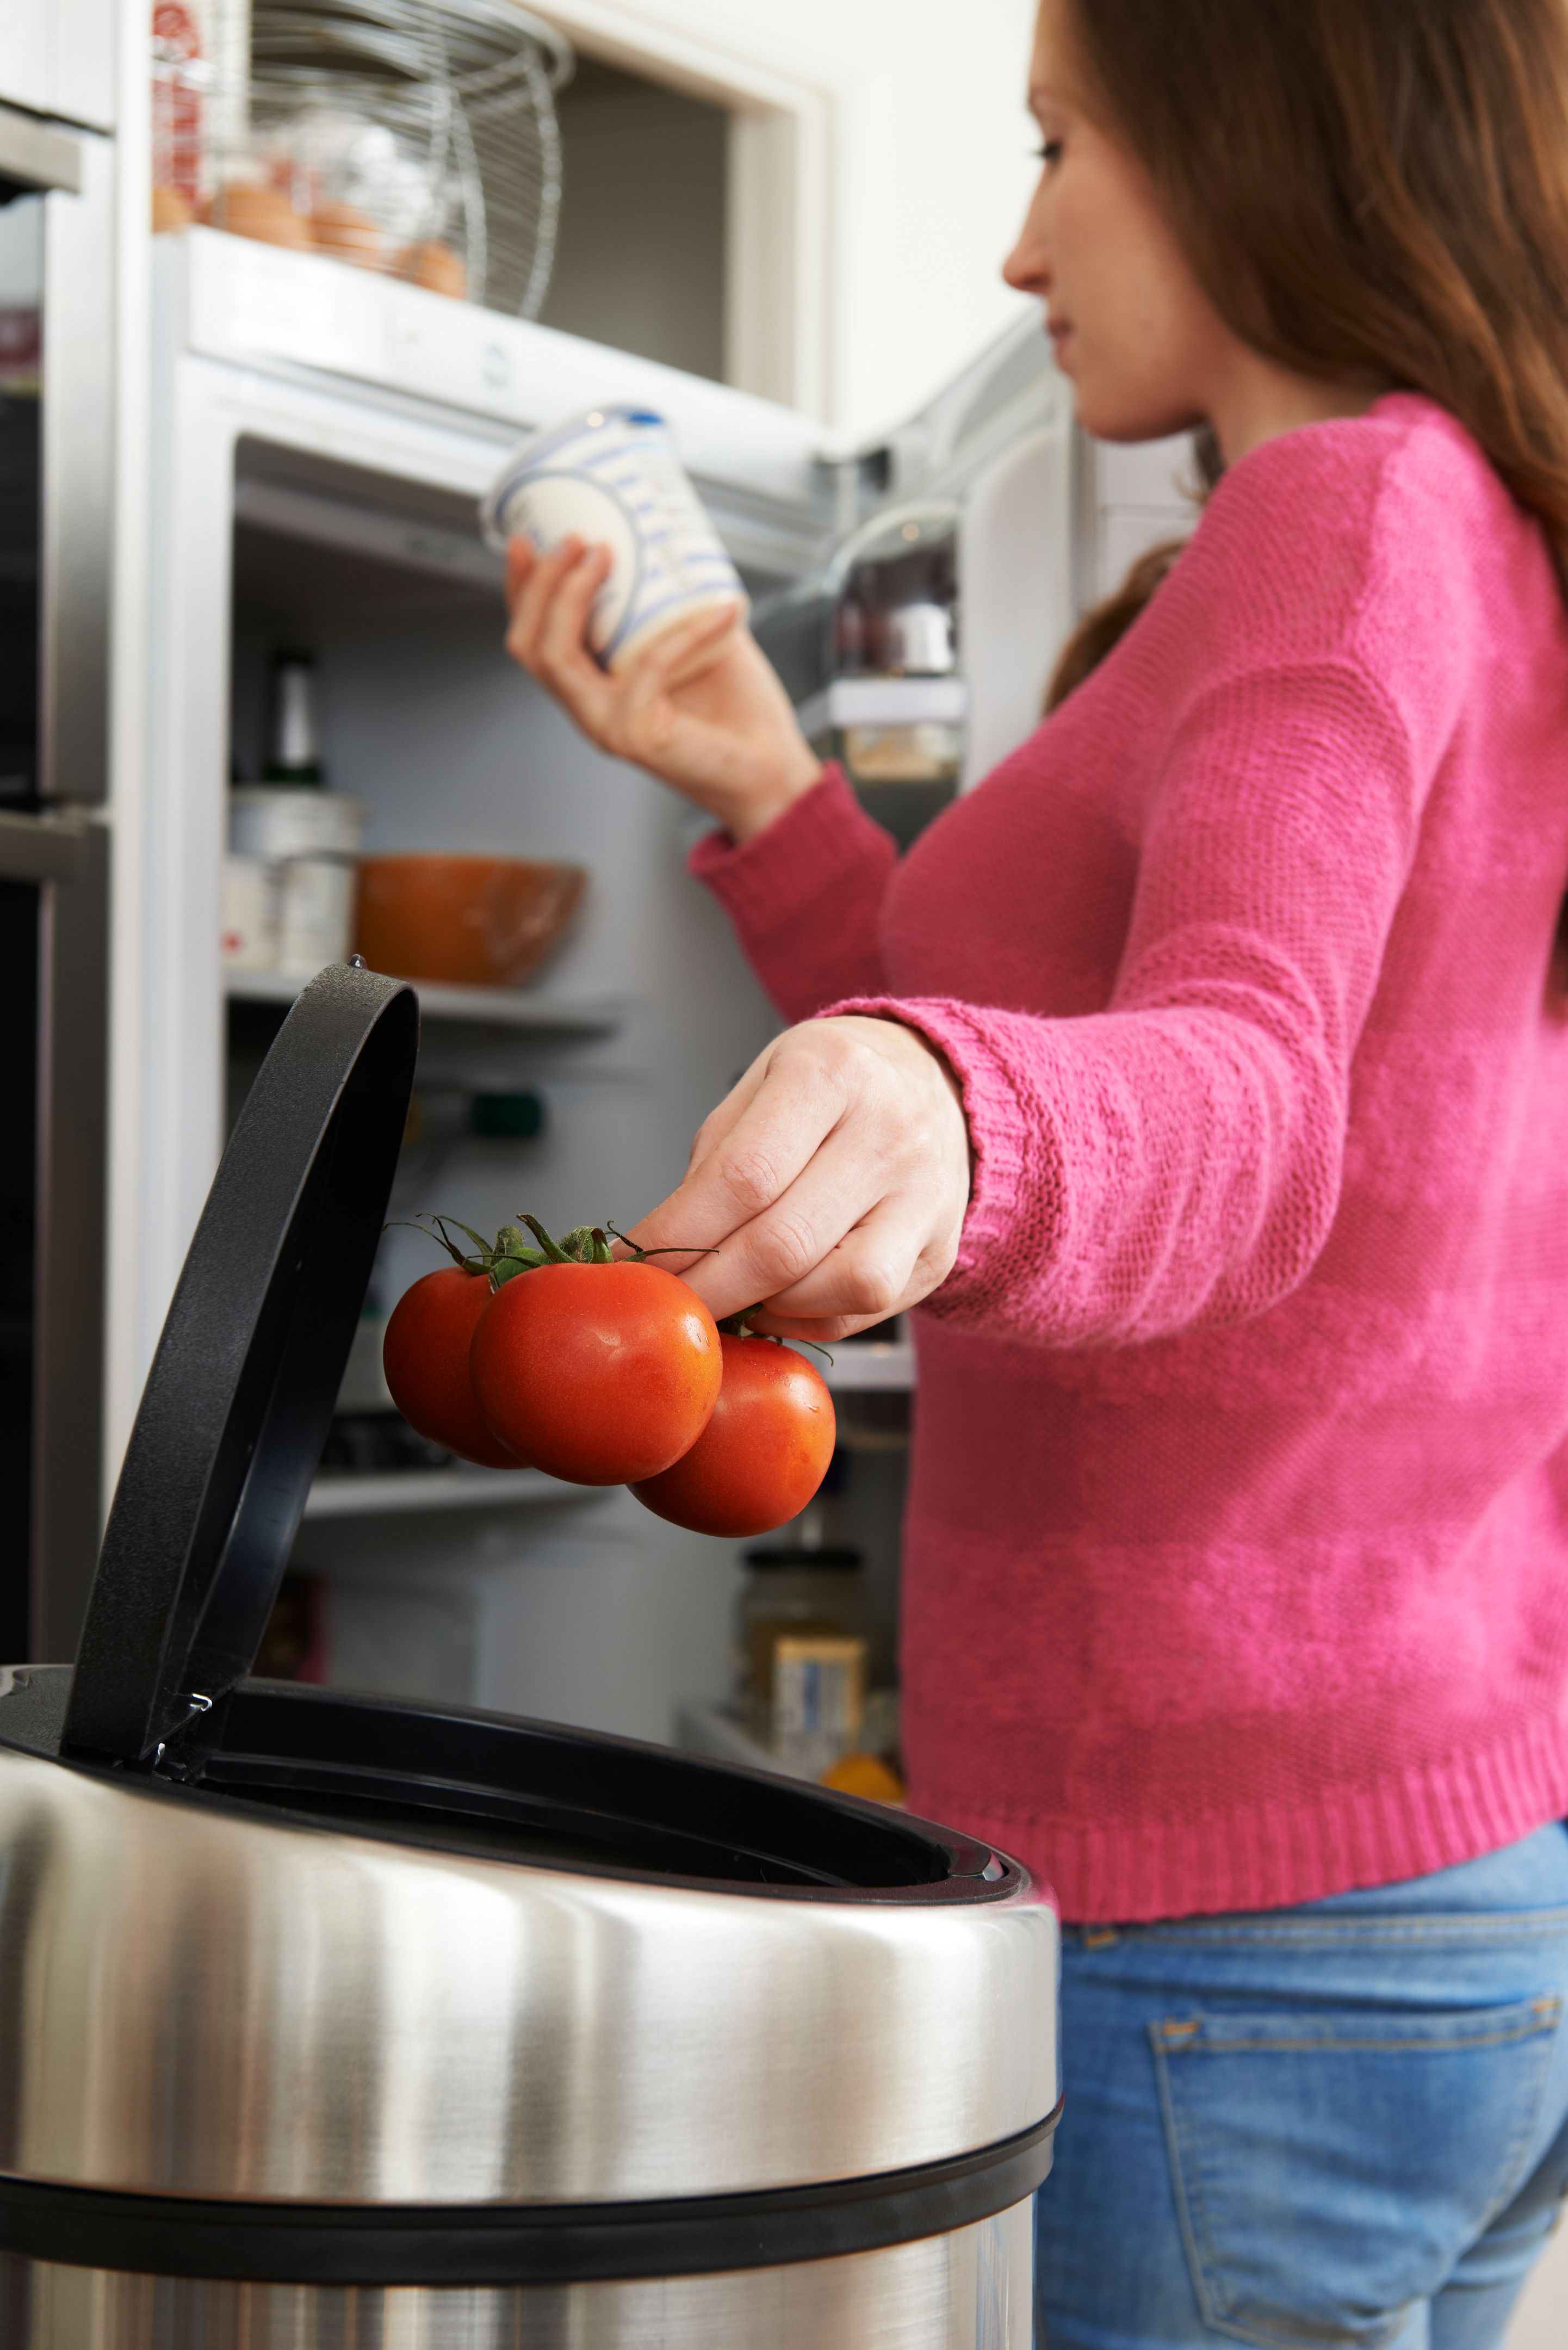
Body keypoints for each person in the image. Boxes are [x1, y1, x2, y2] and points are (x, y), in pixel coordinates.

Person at [502, 0, 1568, 2340]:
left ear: (1258, 124)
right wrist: (779, 796)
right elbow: (1190, 1070)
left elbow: (1245, 1095)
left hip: (1226, 1933)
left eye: (1061, 142)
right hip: (1447, 1872)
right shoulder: (1471, 536)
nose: (1014, 248)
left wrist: (968, 1116)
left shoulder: (1343, 510)